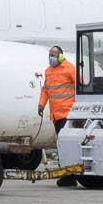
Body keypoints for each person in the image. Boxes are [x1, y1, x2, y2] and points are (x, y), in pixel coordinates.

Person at [38, 46, 79, 186]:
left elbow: (81, 86)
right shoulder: (48, 71)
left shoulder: (70, 69)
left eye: (54, 55)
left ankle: (69, 176)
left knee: (65, 145)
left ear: (61, 56)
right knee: (61, 145)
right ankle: (68, 175)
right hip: (56, 115)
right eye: (50, 55)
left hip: (68, 113)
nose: (51, 58)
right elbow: (45, 90)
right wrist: (41, 105)